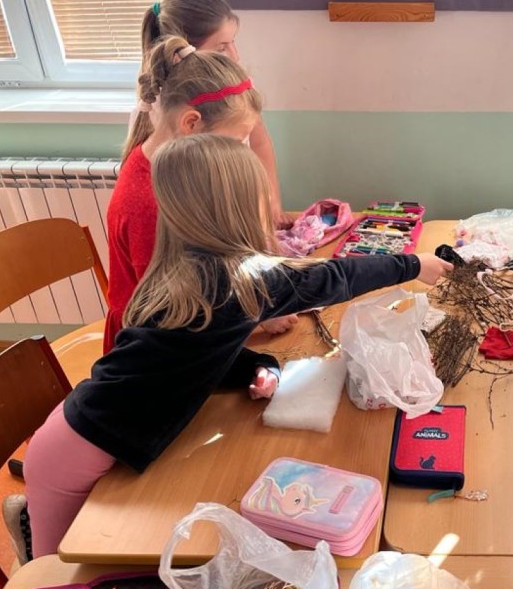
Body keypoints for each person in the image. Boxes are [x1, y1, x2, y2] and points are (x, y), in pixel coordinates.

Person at [24, 134, 452, 558]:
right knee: (48, 574)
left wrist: (255, 366)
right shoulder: (236, 280)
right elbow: (333, 279)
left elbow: (191, 355)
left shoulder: (191, 270)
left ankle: (30, 514)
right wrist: (413, 264)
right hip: (74, 454)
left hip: (79, 434)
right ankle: (26, 522)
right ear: (235, 210)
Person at [108, 35, 282, 354]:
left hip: (192, 325)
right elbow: (172, 314)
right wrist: (256, 315)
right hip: (153, 350)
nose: (238, 155)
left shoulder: (179, 169)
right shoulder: (150, 204)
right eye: (233, 143)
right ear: (191, 124)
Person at [138, 0, 285, 224]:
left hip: (239, 213)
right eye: (221, 47)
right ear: (183, 51)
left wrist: (271, 201)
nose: (235, 56)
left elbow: (260, 141)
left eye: (233, 42)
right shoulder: (157, 109)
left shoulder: (235, 87)